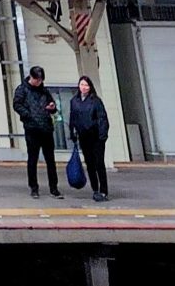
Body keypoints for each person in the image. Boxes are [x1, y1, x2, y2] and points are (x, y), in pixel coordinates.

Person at [12, 66, 62, 199]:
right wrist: (28, 115)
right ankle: (34, 187)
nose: (39, 82)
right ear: (31, 77)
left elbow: (53, 106)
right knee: (33, 159)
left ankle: (54, 188)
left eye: (41, 80)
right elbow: (17, 105)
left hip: (46, 128)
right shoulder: (22, 89)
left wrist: (52, 108)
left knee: (50, 159)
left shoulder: (44, 91)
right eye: (37, 80)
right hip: (32, 129)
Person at [69, 74, 112, 202]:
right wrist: (72, 132)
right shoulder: (74, 101)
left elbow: (102, 118)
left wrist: (103, 135)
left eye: (86, 85)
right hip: (83, 137)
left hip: (96, 137)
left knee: (99, 163)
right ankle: (95, 189)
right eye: (82, 84)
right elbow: (72, 118)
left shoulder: (96, 101)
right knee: (90, 164)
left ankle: (104, 190)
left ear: (90, 87)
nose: (83, 87)